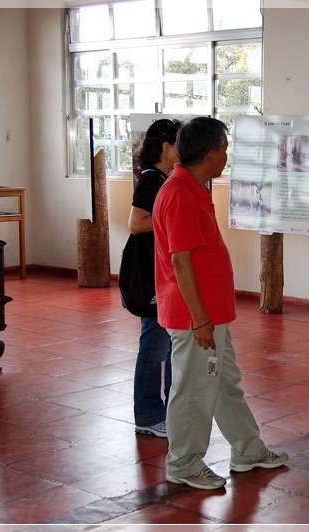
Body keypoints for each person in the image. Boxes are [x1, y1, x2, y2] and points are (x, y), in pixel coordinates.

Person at [153, 117, 288, 490]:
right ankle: (184, 463)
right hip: (195, 318)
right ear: (211, 153)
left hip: (212, 316)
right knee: (194, 390)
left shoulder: (193, 187)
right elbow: (180, 261)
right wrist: (199, 320)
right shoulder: (179, 193)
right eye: (225, 150)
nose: (226, 157)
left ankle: (248, 449)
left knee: (225, 384)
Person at [128, 118, 181, 438]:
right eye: (179, 144)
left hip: (162, 271)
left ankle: (169, 408)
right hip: (151, 275)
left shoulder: (166, 177)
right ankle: (147, 415)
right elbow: (136, 223)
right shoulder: (151, 179)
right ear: (165, 147)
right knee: (154, 345)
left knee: (168, 343)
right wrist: (169, 218)